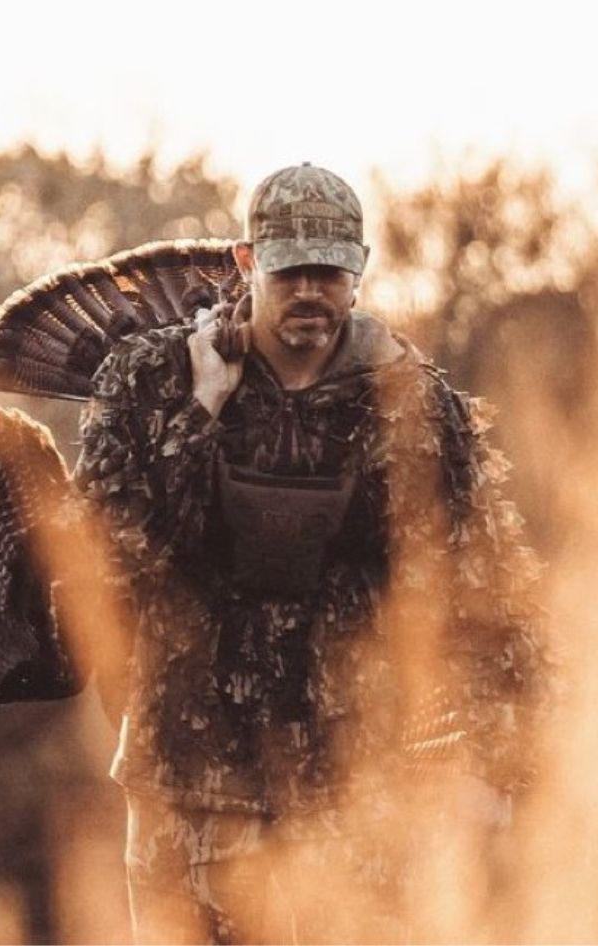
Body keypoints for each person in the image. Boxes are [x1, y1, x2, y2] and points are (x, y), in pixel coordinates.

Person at [69, 162, 548, 942]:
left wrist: (507, 769)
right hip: (189, 784)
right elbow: (111, 566)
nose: (309, 293)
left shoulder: (414, 404)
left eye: (329, 272)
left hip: (360, 793)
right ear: (247, 264)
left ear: (357, 273)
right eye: (290, 271)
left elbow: (483, 590)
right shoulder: (147, 380)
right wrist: (201, 409)